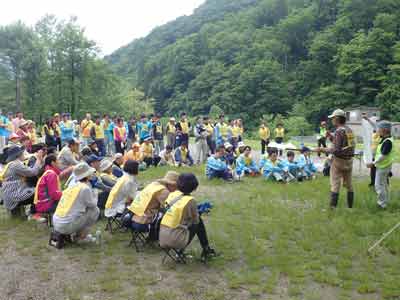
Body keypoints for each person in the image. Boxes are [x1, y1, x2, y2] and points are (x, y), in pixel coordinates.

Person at [159, 173, 217, 262]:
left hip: (162, 236)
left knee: (193, 221)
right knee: (198, 222)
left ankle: (206, 249)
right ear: (194, 187)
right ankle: (206, 249)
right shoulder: (190, 201)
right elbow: (195, 221)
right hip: (174, 239)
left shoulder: (172, 195)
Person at [53, 163, 100, 243]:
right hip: (66, 225)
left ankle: (76, 233)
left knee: (82, 211)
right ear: (88, 175)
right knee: (95, 210)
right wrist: (95, 192)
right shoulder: (85, 188)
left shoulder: (71, 186)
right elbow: (93, 204)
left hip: (57, 222)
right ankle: (81, 237)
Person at [319, 109, 355, 208]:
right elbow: (345, 145)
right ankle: (350, 207)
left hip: (339, 161)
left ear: (337, 119)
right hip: (349, 161)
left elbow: (336, 150)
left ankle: (332, 208)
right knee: (349, 185)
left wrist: (322, 149)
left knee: (335, 184)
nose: (332, 120)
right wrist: (331, 137)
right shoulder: (349, 129)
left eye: (333, 118)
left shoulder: (339, 131)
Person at [127, 171, 179, 240]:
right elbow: (168, 208)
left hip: (132, 216)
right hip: (144, 221)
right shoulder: (164, 191)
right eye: (176, 186)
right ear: (171, 184)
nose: (176, 189)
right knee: (168, 216)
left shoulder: (154, 185)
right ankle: (157, 237)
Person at [0, 145, 44, 216]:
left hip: (10, 194)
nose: (24, 154)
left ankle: (25, 213)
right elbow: (33, 172)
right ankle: (33, 213)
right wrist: (38, 159)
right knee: (38, 192)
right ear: (18, 155)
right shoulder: (15, 165)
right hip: (14, 195)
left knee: (34, 190)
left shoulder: (11, 164)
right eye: (22, 153)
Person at [367, 121, 395, 209]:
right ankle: (385, 201)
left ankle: (382, 204)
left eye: (379, 129)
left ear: (385, 130)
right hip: (384, 166)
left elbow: (383, 155)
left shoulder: (387, 142)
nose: (377, 131)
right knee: (383, 184)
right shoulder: (385, 139)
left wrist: (373, 163)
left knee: (378, 185)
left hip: (383, 166)